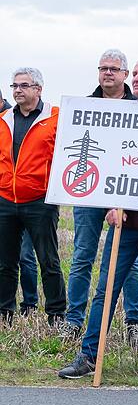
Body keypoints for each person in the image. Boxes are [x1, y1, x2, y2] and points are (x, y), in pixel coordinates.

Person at [58, 57, 138, 379]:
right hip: (125, 220)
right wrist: (109, 202)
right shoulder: (120, 113)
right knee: (106, 289)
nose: (137, 79)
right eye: (136, 74)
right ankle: (88, 356)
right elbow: (111, 160)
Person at [59, 49, 138, 344]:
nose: (107, 73)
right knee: (82, 255)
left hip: (125, 192)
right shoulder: (85, 107)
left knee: (129, 258)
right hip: (90, 191)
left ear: (125, 74)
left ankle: (134, 322)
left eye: (114, 68)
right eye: (103, 68)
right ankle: (73, 320)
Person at [0, 67, 67, 326]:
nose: (18, 90)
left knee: (48, 260)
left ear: (38, 89)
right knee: (5, 263)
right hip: (6, 199)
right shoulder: (4, 118)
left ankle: (56, 314)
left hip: (40, 201)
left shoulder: (56, 118)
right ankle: (5, 313)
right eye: (15, 86)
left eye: (24, 85)